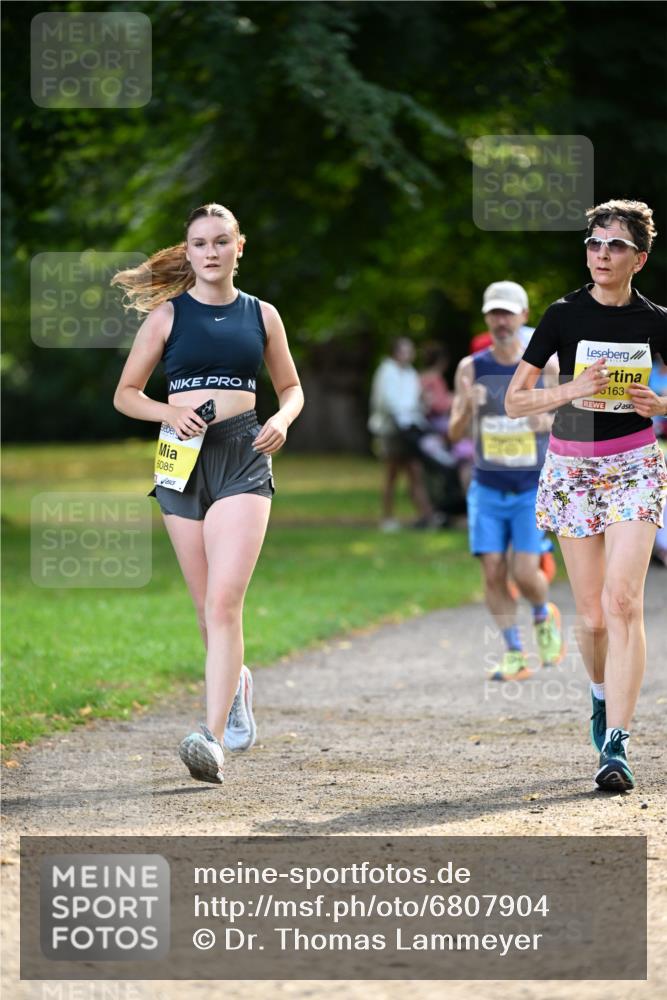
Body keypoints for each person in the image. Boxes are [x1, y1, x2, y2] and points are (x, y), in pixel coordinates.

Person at [112, 203, 304, 784]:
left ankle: (209, 739)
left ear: (238, 247)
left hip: (243, 454)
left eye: (221, 241)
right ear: (189, 251)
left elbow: (291, 388)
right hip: (180, 458)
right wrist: (167, 410)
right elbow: (126, 394)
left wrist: (282, 420)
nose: (211, 252)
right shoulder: (167, 317)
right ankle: (236, 686)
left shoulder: (262, 314)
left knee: (223, 603)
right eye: (200, 243)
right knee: (205, 610)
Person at [506, 198, 667, 792]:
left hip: (634, 466)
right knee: (594, 615)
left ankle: (617, 743)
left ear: (638, 259)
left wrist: (662, 403)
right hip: (573, 469)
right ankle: (600, 695)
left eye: (615, 245)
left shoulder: (656, 320)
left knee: (624, 602)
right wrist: (570, 390)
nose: (601, 253)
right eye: (594, 243)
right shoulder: (563, 315)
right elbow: (515, 401)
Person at [449, 281, 564, 680]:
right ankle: (515, 652)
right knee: (493, 570)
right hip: (487, 486)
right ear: (486, 317)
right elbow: (454, 433)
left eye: (508, 313)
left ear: (523, 316)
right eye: (494, 313)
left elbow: (572, 423)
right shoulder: (470, 368)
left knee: (524, 573)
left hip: (531, 486)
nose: (501, 321)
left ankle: (542, 614)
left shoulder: (545, 367)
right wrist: (468, 407)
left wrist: (543, 421)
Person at [368, 337, 440, 531]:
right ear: (396, 352)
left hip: (410, 429)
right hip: (391, 431)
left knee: (415, 471)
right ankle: (387, 517)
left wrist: (422, 403)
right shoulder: (386, 372)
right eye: (406, 350)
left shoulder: (410, 373)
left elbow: (414, 400)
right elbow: (388, 401)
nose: (409, 354)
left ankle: (426, 515)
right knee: (392, 474)